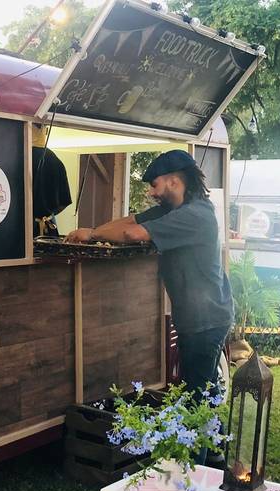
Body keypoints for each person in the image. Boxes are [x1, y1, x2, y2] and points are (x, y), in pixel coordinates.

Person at [65, 150, 232, 465]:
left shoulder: (195, 215)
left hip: (206, 320)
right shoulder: (173, 210)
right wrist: (92, 232)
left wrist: (94, 234)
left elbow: (132, 233)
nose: (152, 192)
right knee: (203, 390)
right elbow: (129, 220)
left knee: (197, 396)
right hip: (198, 317)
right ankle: (217, 456)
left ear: (173, 181)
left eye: (155, 185)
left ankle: (198, 465)